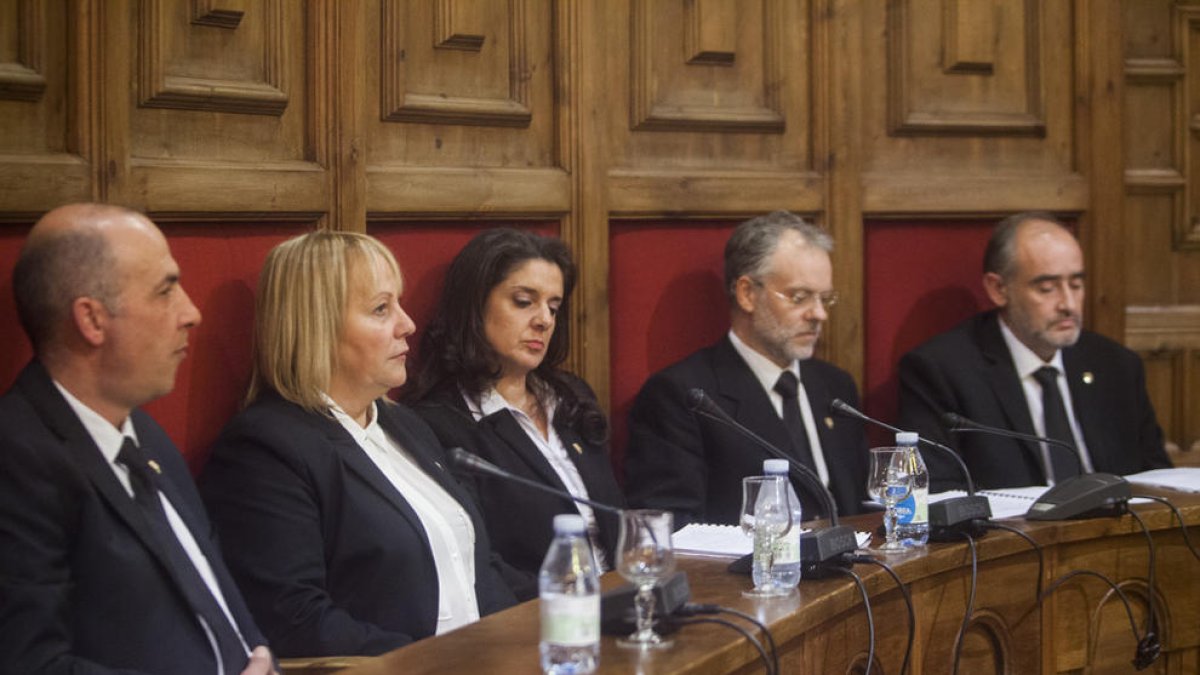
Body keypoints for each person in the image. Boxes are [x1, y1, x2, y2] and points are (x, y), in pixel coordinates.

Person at [200, 231, 516, 657]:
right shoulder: (264, 450)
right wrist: (435, 664)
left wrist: (529, 635)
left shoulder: (406, 425)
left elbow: (482, 566)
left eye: (399, 304)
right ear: (318, 326)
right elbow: (295, 620)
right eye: (381, 309)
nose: (407, 324)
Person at [0, 204, 276, 675]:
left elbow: (225, 610)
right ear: (92, 320)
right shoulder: (17, 459)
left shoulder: (143, 432)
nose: (191, 313)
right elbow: (30, 663)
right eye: (165, 291)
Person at [405, 228, 623, 601]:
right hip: (537, 616)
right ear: (474, 306)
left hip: (621, 601)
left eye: (553, 307)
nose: (544, 320)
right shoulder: (440, 425)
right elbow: (478, 563)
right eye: (524, 302)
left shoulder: (570, 397)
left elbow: (615, 522)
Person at [623, 211, 870, 528]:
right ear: (747, 294)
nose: (819, 314)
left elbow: (861, 505)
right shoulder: (684, 396)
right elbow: (672, 527)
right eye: (799, 297)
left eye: (825, 299)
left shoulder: (835, 386)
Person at [897, 212, 1172, 492]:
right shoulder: (942, 371)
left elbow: (1157, 480)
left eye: (1076, 285)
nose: (1068, 304)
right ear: (998, 289)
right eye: (1047, 288)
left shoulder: (1116, 365)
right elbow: (937, 490)